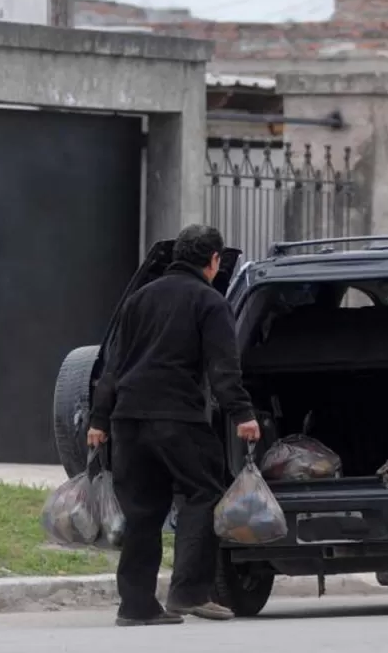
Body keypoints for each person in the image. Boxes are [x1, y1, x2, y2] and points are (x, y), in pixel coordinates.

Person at [87, 224, 261, 627]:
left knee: (142, 510)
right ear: (214, 261)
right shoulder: (210, 302)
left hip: (127, 420)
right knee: (203, 492)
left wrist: (98, 419)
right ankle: (189, 591)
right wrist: (243, 414)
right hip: (176, 418)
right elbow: (223, 368)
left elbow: (113, 365)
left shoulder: (137, 300)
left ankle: (136, 606)